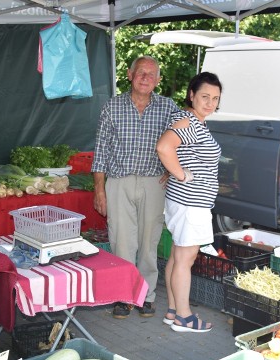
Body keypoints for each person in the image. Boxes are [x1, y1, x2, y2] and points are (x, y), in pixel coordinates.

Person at [91, 56, 179, 319]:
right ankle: (124, 296)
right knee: (121, 241)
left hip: (155, 183)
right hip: (119, 182)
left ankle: (146, 296)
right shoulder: (112, 107)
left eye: (151, 74)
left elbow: (182, 141)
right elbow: (100, 151)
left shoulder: (168, 107)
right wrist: (99, 189)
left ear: (158, 80)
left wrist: (170, 168)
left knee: (149, 242)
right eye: (141, 72)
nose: (145, 78)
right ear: (129, 75)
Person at [156, 72, 223, 332]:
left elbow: (178, 152)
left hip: (186, 202)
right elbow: (164, 147)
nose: (210, 103)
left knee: (177, 256)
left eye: (215, 98)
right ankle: (184, 318)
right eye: (204, 96)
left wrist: (179, 171)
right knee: (185, 259)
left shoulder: (193, 121)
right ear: (192, 94)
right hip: (190, 203)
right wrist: (181, 174)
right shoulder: (188, 122)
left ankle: (173, 311)